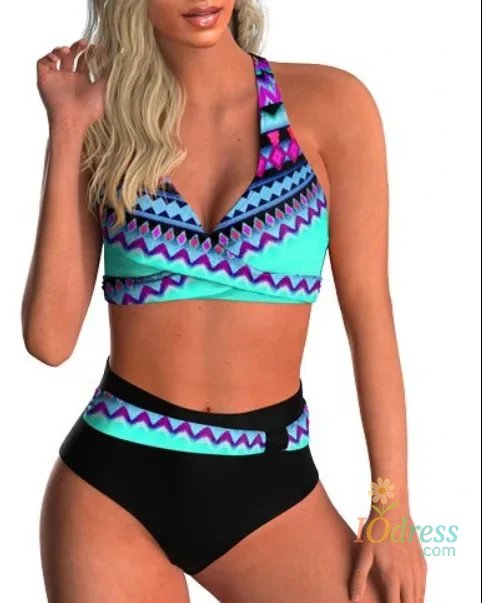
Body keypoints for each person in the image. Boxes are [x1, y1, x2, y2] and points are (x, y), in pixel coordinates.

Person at [22, 1, 427, 601]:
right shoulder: (106, 120)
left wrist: (390, 508)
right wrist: (67, 129)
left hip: (270, 486)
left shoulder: (332, 105)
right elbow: (49, 341)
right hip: (111, 488)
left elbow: (370, 319)